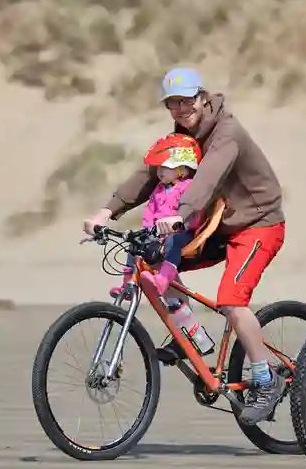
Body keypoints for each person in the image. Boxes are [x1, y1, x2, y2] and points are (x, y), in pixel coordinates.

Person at [83, 67, 287, 426]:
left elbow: (206, 179)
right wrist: (107, 211)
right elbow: (150, 173)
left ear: (202, 98)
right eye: (172, 103)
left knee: (231, 302)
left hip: (258, 224)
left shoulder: (227, 133)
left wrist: (180, 213)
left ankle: (266, 377)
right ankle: (192, 334)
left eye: (186, 100)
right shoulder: (182, 135)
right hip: (216, 224)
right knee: (156, 262)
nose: (180, 108)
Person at [109, 132, 205, 298]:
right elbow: (150, 211)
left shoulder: (189, 187)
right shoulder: (159, 189)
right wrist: (148, 230)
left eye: (165, 167)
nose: (160, 171)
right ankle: (128, 284)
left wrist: (178, 225)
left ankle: (163, 279)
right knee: (135, 244)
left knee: (174, 241)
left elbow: (194, 212)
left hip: (182, 233)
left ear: (182, 169)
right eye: (159, 167)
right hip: (158, 233)